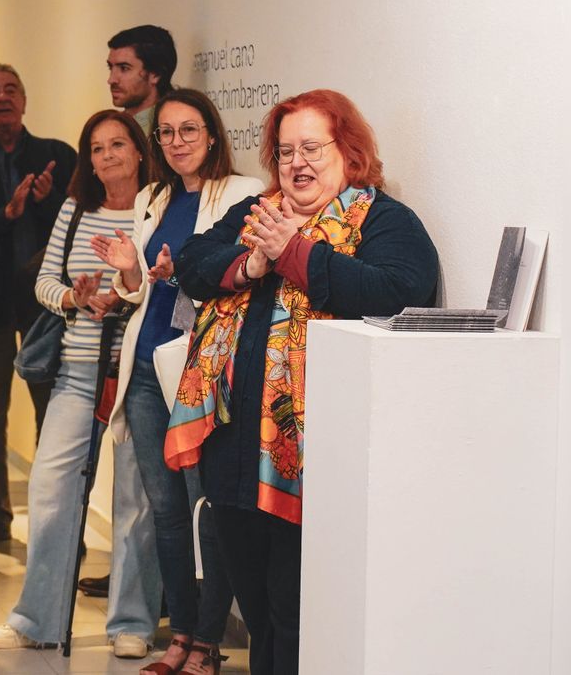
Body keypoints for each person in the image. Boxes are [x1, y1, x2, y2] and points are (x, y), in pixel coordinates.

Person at [168, 89, 438, 675]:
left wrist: (294, 252)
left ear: (350, 151)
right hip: (236, 457)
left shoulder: (384, 220)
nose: (297, 163)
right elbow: (191, 261)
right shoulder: (257, 213)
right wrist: (250, 263)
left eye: (312, 147)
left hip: (318, 465)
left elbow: (400, 289)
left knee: (299, 614)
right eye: (285, 151)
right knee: (260, 611)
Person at [88, 89, 261, 675]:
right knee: (163, 509)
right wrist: (133, 270)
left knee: (205, 508)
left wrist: (179, 274)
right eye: (165, 133)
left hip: (200, 370)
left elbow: (238, 280)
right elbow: (138, 292)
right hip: (145, 365)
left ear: (212, 134)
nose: (177, 142)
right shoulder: (152, 196)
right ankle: (180, 636)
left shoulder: (241, 194)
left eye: (189, 130)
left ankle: (209, 642)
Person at [0, 109, 155, 659]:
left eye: (117, 145)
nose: (107, 156)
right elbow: (44, 283)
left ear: (139, 151)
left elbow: (163, 288)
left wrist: (125, 292)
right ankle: (38, 620)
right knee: (51, 491)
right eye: (97, 148)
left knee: (135, 501)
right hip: (77, 373)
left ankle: (131, 624)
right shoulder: (76, 210)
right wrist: (76, 298)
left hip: (134, 376)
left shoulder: (157, 212)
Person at [0, 62, 77, 543]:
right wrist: (7, 214)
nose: (2, 98)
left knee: (52, 413)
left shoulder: (56, 157)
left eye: (10, 90)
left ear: (24, 100)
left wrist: (47, 203)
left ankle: (53, 514)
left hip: (48, 308)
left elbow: (77, 225)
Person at [79, 23, 178, 602]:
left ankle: (151, 595)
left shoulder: (161, 144)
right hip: (122, 321)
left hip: (158, 327)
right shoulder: (127, 137)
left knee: (153, 485)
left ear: (154, 73)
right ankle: (136, 583)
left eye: (123, 67)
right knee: (131, 475)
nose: (112, 77)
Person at [107, 25, 177, 136]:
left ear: (156, 74)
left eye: (124, 68)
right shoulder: (111, 127)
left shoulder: (170, 131)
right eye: (110, 68)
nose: (111, 80)